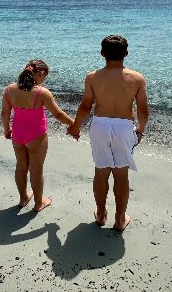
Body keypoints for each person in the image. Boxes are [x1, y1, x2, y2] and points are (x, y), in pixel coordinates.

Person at [67, 35, 149, 231]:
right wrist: (140, 129)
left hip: (100, 126)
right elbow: (143, 109)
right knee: (121, 175)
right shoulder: (137, 78)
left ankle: (101, 214)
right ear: (126, 54)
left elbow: (86, 106)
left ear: (102, 53)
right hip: (124, 126)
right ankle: (120, 219)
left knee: (101, 171)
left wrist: (76, 127)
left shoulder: (93, 77)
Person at [1, 59, 75, 212]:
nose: (44, 80)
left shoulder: (9, 90)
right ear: (40, 74)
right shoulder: (42, 92)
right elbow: (58, 114)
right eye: (45, 76)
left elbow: (5, 113)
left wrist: (6, 129)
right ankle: (38, 203)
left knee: (21, 166)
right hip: (36, 136)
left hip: (18, 134)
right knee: (36, 169)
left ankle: (23, 198)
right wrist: (73, 123)